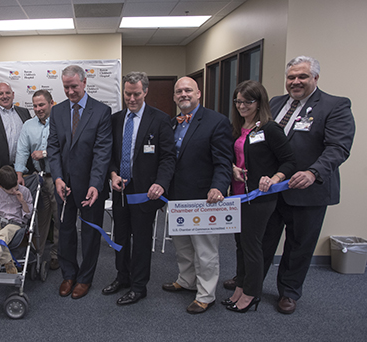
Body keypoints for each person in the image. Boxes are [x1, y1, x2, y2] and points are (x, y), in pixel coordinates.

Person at [262, 56, 355, 314]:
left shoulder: (334, 106)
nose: (295, 82)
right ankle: (251, 284)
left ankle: (289, 293)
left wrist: (313, 172)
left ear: (315, 78)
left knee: (299, 245)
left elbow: (338, 148)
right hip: (272, 188)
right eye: (291, 77)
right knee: (262, 240)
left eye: (302, 76)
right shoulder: (275, 103)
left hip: (308, 191)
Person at [102, 72, 176, 305]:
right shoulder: (115, 119)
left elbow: (168, 158)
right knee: (120, 237)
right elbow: (110, 155)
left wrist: (161, 183)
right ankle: (122, 277)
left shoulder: (160, 119)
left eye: (136, 94)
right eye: (127, 94)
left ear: (145, 92)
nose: (131, 98)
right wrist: (113, 174)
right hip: (121, 189)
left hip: (145, 192)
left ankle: (139, 286)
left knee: (142, 240)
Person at [162, 77, 234, 314]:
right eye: (179, 91)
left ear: (198, 94)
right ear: (174, 97)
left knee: (205, 250)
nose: (183, 94)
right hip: (176, 197)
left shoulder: (216, 122)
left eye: (188, 90)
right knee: (182, 245)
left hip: (204, 198)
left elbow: (223, 161)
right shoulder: (172, 124)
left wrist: (219, 187)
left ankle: (205, 294)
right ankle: (186, 280)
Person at [222, 80, 296, 313]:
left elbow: (290, 161)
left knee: (252, 246)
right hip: (237, 195)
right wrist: (232, 167)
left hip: (259, 197)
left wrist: (274, 178)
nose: (242, 106)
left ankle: (252, 294)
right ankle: (240, 288)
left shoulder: (269, 129)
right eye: (238, 101)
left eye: (247, 102)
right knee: (240, 246)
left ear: (259, 102)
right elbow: (234, 156)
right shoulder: (238, 128)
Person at [47, 65, 112, 300]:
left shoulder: (102, 111)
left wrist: (96, 183)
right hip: (64, 186)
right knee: (65, 232)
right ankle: (69, 274)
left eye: (74, 86)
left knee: (89, 234)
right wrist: (57, 178)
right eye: (66, 87)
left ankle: (85, 278)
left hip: (91, 187)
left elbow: (102, 152)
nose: (70, 91)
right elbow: (53, 148)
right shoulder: (58, 111)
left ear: (85, 83)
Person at [14, 89, 60, 270]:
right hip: (38, 179)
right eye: (35, 105)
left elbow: (66, 148)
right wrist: (19, 173)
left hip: (57, 178)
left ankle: (57, 254)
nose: (38, 108)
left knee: (60, 218)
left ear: (51, 103)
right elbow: (22, 150)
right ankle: (37, 253)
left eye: (42, 104)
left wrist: (45, 153)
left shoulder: (60, 122)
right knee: (39, 217)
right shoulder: (28, 125)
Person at [0, 82, 31, 170]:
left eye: (7, 93)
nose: (5, 96)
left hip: (23, 169)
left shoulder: (24, 112)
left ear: (13, 95)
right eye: (1, 93)